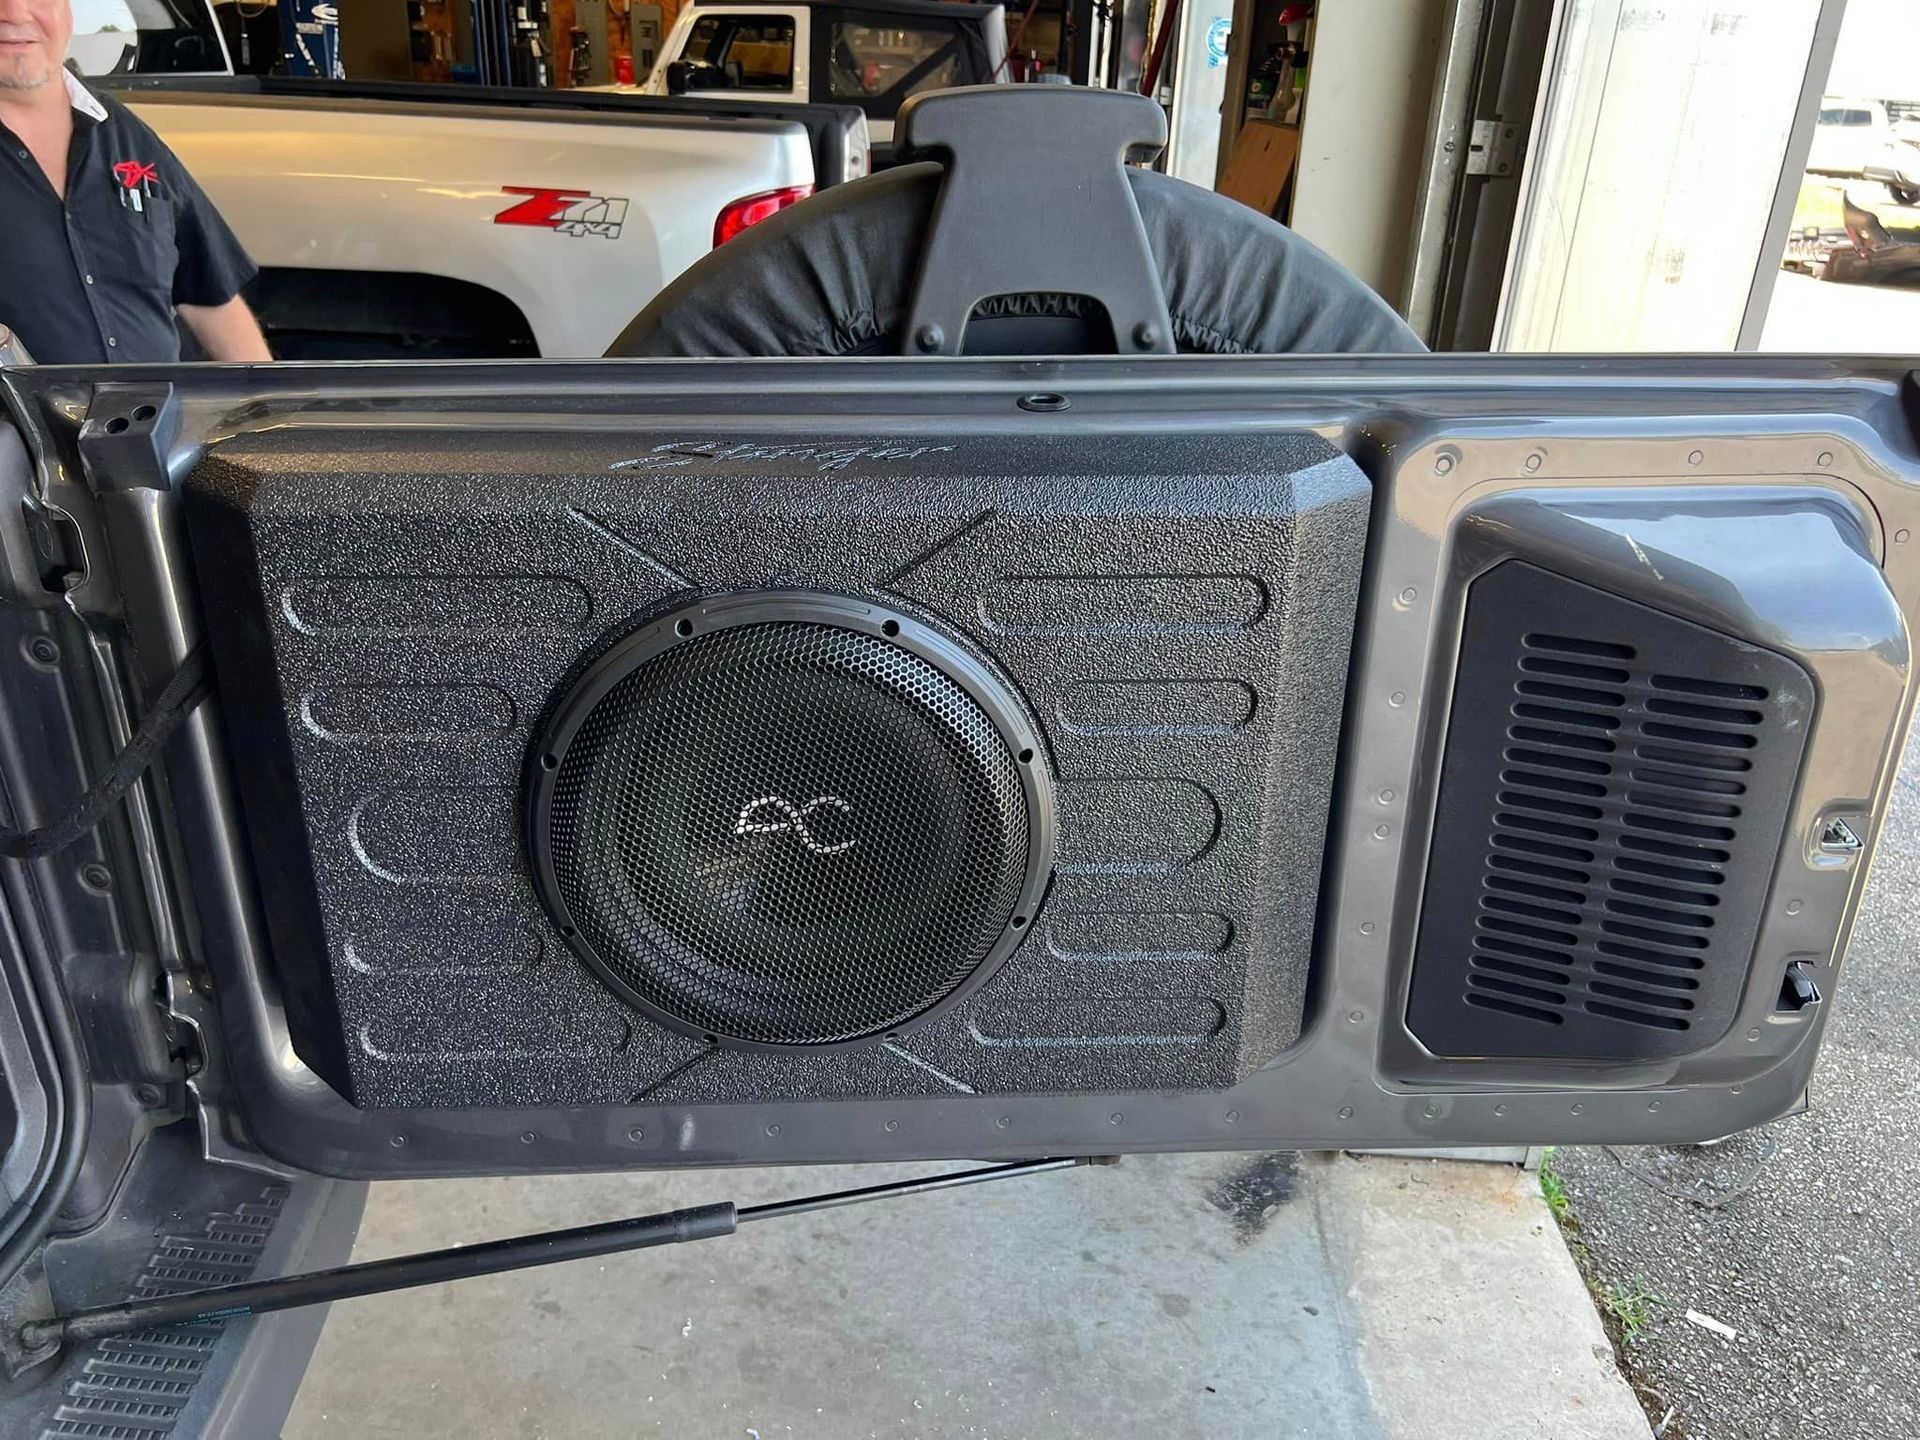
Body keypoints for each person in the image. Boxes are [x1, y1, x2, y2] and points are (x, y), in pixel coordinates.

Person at [0, 0, 271, 364]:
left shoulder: (126, 136)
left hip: (161, 402)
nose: (15, 12)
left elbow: (212, 299)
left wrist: (265, 398)